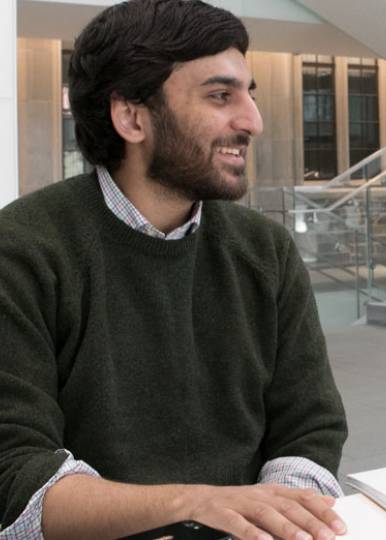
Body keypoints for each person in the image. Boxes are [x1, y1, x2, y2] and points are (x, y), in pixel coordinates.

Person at [0, 1, 349, 539]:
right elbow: (15, 480)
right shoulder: (22, 250)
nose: (252, 121)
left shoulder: (265, 249)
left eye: (248, 94)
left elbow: (310, 428)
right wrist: (194, 503)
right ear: (132, 117)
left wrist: (276, 518)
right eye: (219, 95)